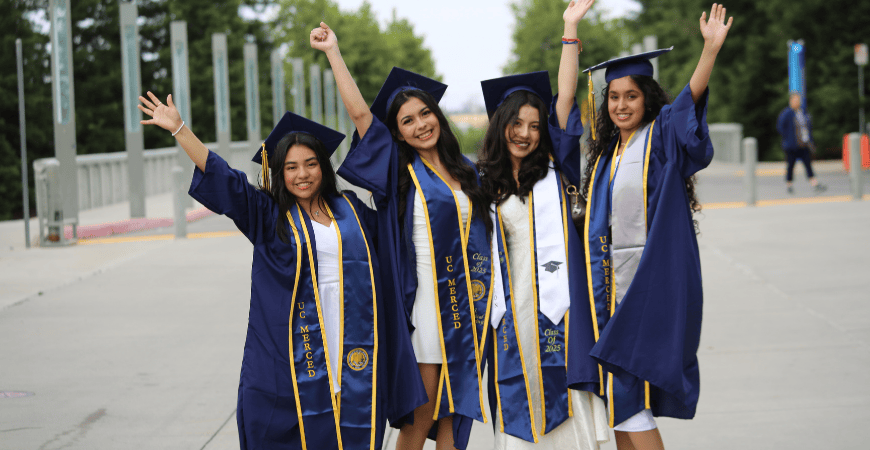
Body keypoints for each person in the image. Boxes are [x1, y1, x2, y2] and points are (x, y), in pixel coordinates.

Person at [137, 92, 424, 450]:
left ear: (324, 166)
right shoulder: (268, 214)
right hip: (297, 344)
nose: (302, 174)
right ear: (279, 172)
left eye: (310, 163)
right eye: (291, 167)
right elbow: (227, 180)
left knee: (352, 420)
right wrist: (180, 130)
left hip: (354, 335)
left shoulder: (350, 207)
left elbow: (392, 231)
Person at [311, 23, 493, 450]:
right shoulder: (399, 174)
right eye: (407, 121)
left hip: (469, 307)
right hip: (429, 307)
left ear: (438, 115)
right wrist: (334, 52)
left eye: (425, 114)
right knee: (420, 414)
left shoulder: (468, 173)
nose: (420, 125)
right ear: (397, 133)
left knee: (454, 411)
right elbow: (361, 117)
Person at [579, 4, 733, 449]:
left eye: (631, 95)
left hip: (650, 289)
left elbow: (688, 103)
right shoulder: (605, 158)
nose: (621, 104)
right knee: (622, 405)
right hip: (611, 293)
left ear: (646, 97)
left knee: (628, 398)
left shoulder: (660, 136)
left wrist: (709, 51)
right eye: (613, 97)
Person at [475, 1, 608, 449]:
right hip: (509, 311)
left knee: (563, 398)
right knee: (517, 396)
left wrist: (570, 28)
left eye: (534, 125)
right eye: (516, 123)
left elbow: (566, 99)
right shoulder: (480, 185)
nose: (526, 132)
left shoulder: (556, 169)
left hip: (558, 306)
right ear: (500, 126)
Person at [776, 92, 826, 194]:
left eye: (798, 100)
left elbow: (808, 127)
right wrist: (788, 138)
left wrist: (809, 140)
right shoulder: (786, 113)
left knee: (808, 164)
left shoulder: (803, 112)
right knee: (791, 165)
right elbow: (780, 127)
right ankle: (789, 185)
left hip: (803, 144)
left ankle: (814, 183)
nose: (797, 102)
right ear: (791, 101)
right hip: (791, 145)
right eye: (795, 100)